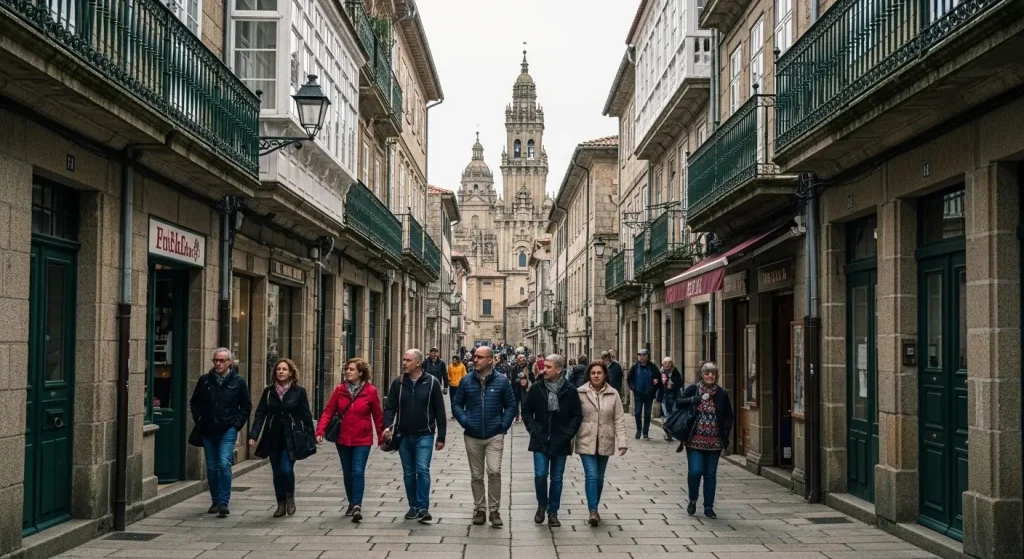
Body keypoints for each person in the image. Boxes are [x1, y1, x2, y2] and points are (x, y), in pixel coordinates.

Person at [452, 346, 517, 527]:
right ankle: (480, 509)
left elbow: (511, 405)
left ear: (490, 360)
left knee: (494, 472)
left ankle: (494, 510)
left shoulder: (502, 382)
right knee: (477, 475)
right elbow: (456, 404)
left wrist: (502, 425)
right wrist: (466, 421)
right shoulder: (466, 381)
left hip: (494, 434)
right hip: (472, 435)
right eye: (475, 357)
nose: (475, 360)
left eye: (480, 357)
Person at [315, 358, 384, 523]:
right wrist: (320, 431)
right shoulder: (340, 390)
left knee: (358, 471)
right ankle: (351, 501)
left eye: (351, 369)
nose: (347, 372)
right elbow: (328, 411)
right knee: (347, 472)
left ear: (361, 372)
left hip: (363, 438)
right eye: (346, 369)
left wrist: (381, 437)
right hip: (343, 438)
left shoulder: (371, 391)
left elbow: (378, 415)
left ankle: (357, 505)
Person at [383, 349, 447, 524]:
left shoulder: (432, 383)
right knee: (409, 473)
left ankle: (423, 507)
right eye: (403, 360)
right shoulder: (398, 383)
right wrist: (387, 426)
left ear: (418, 363)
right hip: (403, 435)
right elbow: (390, 407)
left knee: (422, 469)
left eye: (408, 360)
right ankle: (413, 506)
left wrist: (441, 436)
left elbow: (440, 412)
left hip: (424, 435)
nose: (404, 363)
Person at [522, 354, 583, 527]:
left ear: (558, 369)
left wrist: (568, 434)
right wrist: (534, 429)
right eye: (544, 366)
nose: (544, 370)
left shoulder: (570, 390)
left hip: (560, 440)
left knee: (557, 478)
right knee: (540, 475)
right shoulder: (537, 388)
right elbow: (526, 411)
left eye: (548, 367)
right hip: (540, 440)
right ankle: (542, 505)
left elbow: (577, 415)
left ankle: (553, 512)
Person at [189, 348, 252, 518]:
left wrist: (236, 425)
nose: (218, 363)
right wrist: (200, 420)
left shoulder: (238, 382)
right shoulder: (205, 381)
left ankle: (224, 502)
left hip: (228, 429)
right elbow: (195, 402)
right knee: (211, 466)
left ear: (230, 362)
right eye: (216, 360)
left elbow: (246, 406)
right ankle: (215, 499)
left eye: (222, 360)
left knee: (224, 463)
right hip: (207, 429)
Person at [248, 358, 313, 518]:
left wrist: (311, 436)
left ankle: (289, 497)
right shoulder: (269, 392)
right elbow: (260, 413)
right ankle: (280, 504)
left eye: (284, 369)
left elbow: (306, 415)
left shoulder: (299, 392)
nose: (281, 372)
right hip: (273, 436)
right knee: (277, 472)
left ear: (291, 372)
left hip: (292, 437)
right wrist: (253, 435)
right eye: (278, 369)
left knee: (286, 469)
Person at [678, 361, 734, 519]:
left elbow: (729, 415)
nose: (710, 376)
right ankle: (693, 499)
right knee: (695, 472)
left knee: (710, 474)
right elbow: (679, 403)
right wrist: (694, 400)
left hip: (714, 442)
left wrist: (725, 430)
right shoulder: (693, 389)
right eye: (707, 373)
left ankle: (708, 507)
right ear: (701, 375)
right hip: (694, 440)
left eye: (713, 373)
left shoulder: (721, 394)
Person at [575, 361, 627, 526]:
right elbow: (573, 418)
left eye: (599, 373)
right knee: (592, 475)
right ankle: (593, 510)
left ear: (605, 375)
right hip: (586, 439)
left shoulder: (613, 394)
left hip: (605, 439)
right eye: (593, 373)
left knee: (599, 478)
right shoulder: (580, 392)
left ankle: (594, 505)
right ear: (589, 375)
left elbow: (618, 418)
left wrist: (622, 441)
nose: (596, 375)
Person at [627, 348, 663, 441]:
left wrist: (656, 382)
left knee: (647, 414)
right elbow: (629, 379)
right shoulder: (635, 367)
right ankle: (639, 431)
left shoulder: (653, 367)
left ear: (648, 357)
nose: (642, 357)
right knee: (637, 412)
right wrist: (633, 388)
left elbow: (658, 379)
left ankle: (645, 432)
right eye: (640, 356)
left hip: (649, 394)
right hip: (638, 393)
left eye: (644, 356)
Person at [659, 357, 683, 441]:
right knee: (665, 415)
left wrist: (672, 385)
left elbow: (680, 383)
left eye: (669, 362)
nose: (667, 364)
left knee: (672, 415)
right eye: (665, 362)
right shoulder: (660, 372)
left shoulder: (675, 372)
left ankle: (670, 432)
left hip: (673, 396)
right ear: (663, 364)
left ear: (672, 364)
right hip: (663, 396)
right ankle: (668, 433)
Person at [510, 353, 534, 422]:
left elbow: (532, 377)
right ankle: (516, 417)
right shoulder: (514, 368)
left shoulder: (527, 368)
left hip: (524, 388)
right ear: (518, 360)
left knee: (524, 402)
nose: (522, 359)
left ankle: (524, 417)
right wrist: (519, 380)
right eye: (520, 358)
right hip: (516, 388)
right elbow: (513, 379)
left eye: (523, 358)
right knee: (516, 403)